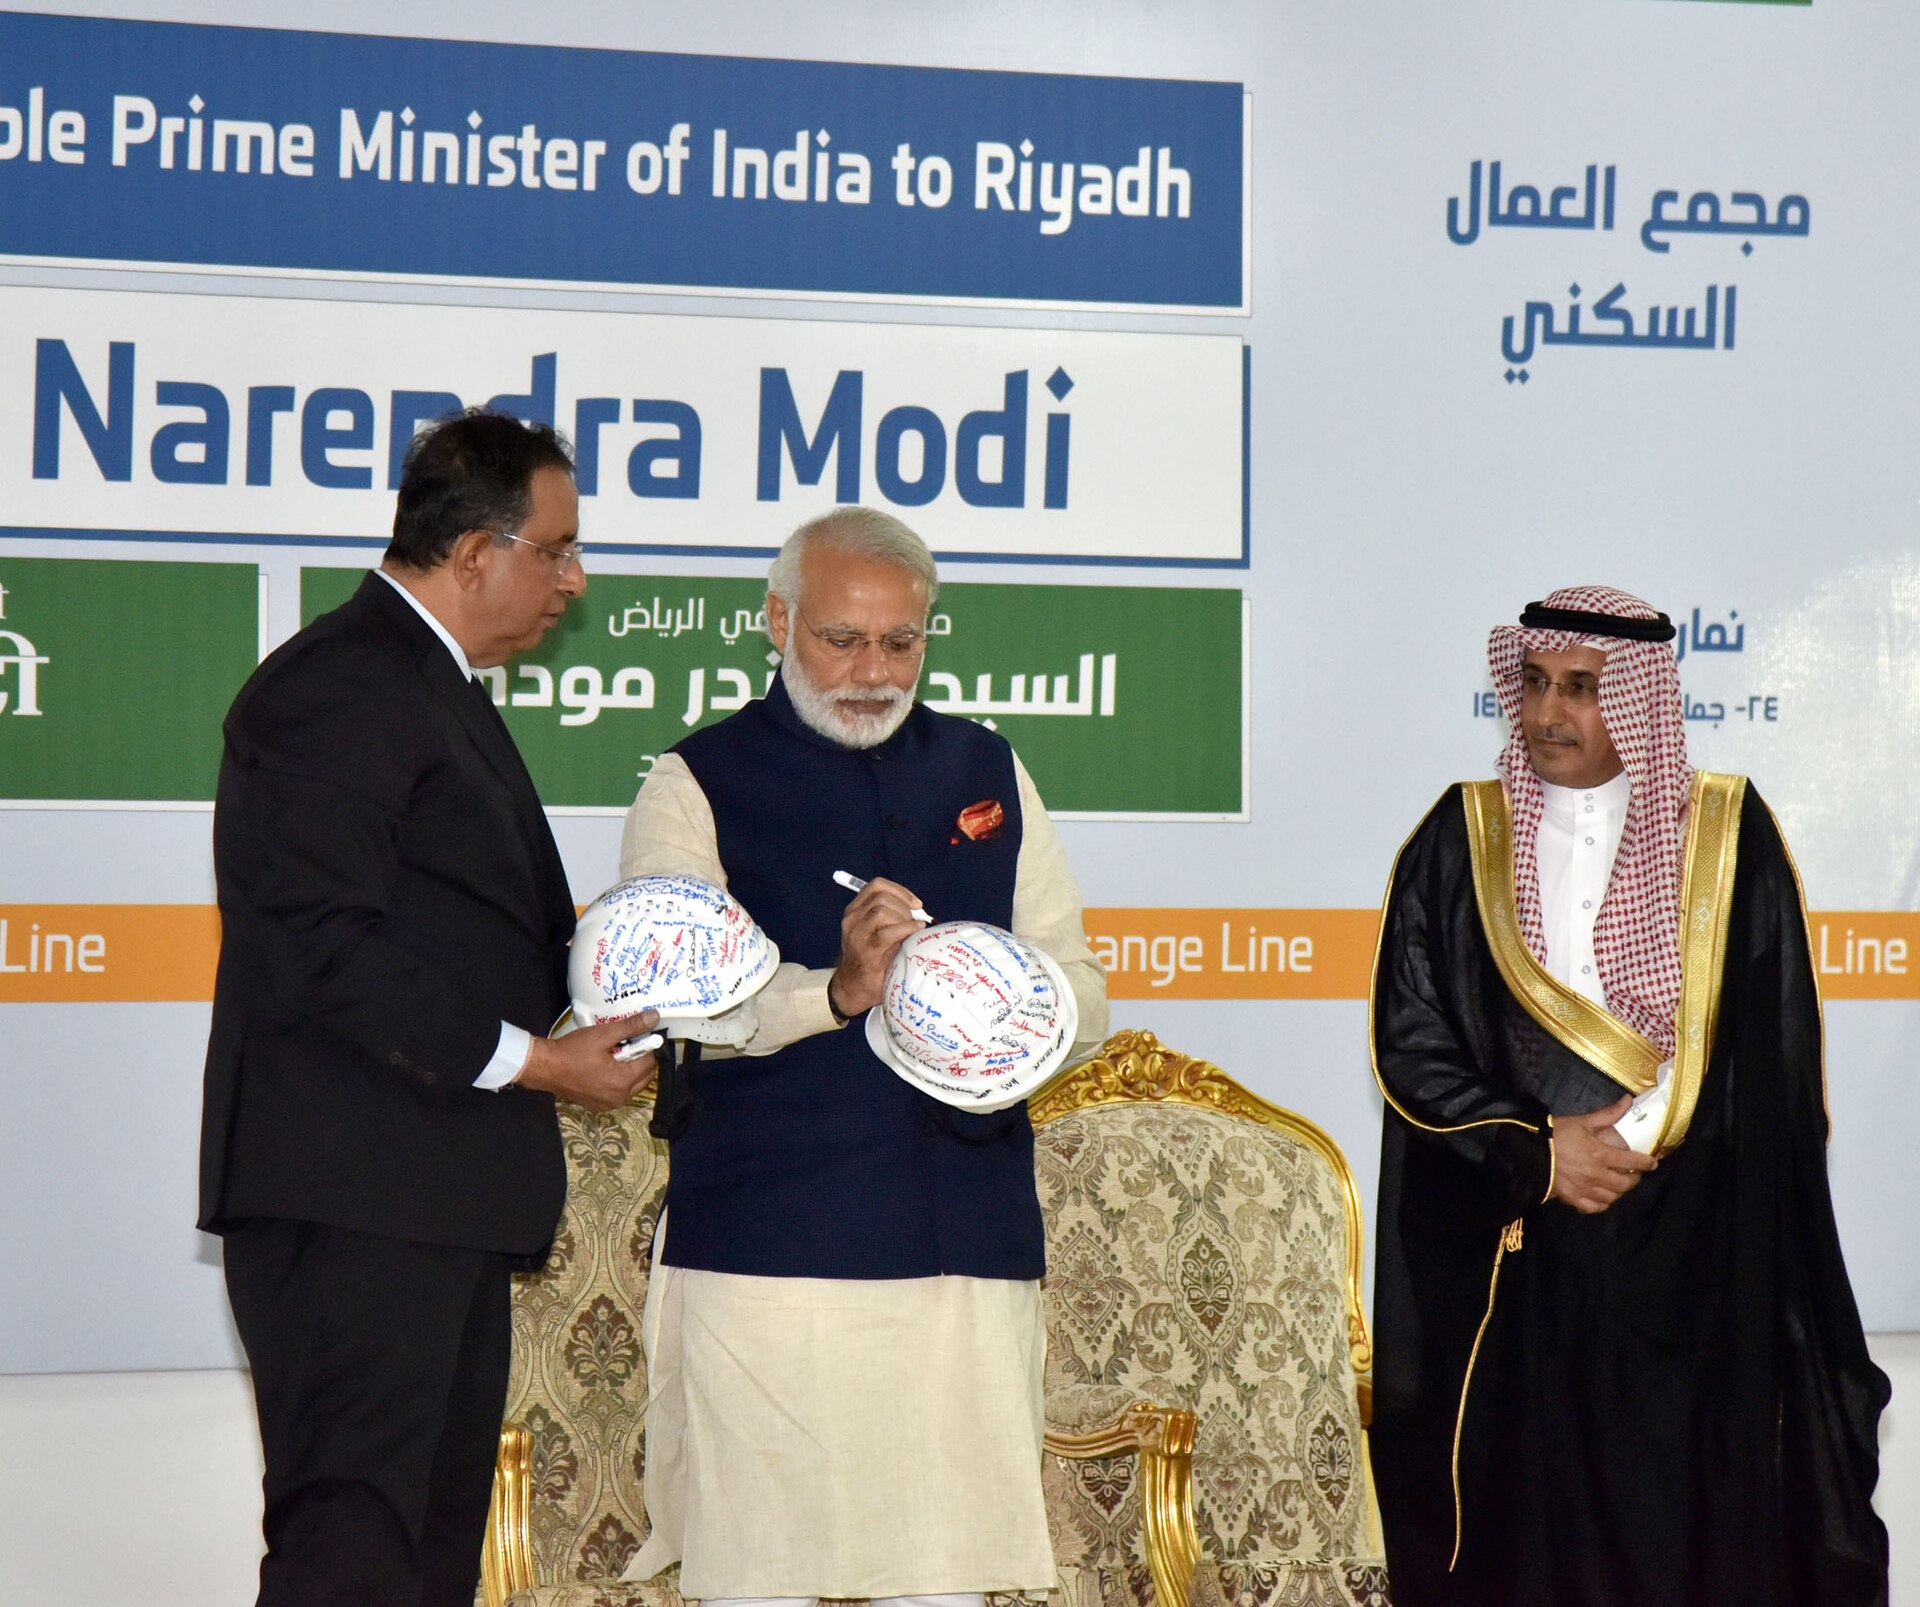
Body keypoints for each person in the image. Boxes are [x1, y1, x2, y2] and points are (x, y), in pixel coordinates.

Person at [199, 409, 659, 1607]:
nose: (576, 577)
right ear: (474, 556)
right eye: (556, 549)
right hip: (353, 1203)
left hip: (429, 1199)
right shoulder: (341, 686)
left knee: (425, 1558)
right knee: (352, 1554)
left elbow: (461, 928)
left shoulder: (427, 683)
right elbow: (322, 941)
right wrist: (541, 1063)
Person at [615, 505, 1109, 1606]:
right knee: (764, 1577)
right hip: (768, 1245)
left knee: (939, 1579)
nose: (873, 670)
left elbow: (1084, 987)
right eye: (843, 638)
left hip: (961, 1237)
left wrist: (995, 1003)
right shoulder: (694, 781)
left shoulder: (990, 767)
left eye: (902, 641)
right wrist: (835, 992)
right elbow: (674, 1009)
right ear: (778, 620)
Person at [1367, 584, 1890, 1607]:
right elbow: (1414, 1039)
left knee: (1681, 1531)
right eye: (1534, 683)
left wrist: (1649, 1145)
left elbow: (1770, 1051)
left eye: (1583, 688)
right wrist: (1540, 1150)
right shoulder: (1459, 838)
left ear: (1642, 701)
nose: (1550, 712)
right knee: (1531, 1534)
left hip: (1694, 1257)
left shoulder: (1729, 841)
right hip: (1525, 1251)